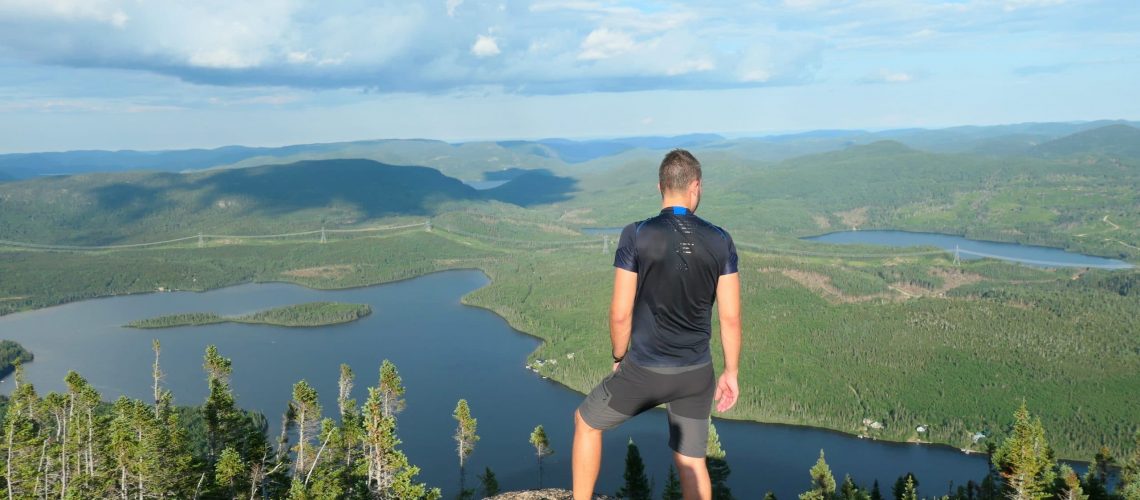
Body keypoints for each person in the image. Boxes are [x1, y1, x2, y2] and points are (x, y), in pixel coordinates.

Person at [572, 149, 742, 500]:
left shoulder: (636, 235)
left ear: (660, 187)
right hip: (696, 373)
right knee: (692, 463)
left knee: (586, 423)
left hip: (645, 370)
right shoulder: (721, 240)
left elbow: (620, 312)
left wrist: (619, 357)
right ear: (696, 186)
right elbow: (730, 317)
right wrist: (731, 372)